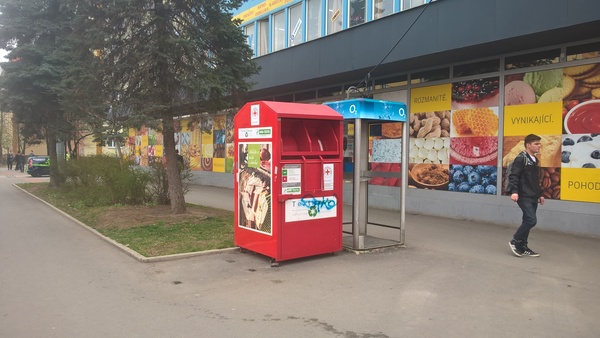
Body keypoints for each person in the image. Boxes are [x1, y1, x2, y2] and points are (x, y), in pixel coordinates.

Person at [508, 134, 544, 257]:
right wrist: (514, 192)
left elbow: (535, 180)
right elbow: (514, 176)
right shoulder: (521, 158)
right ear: (528, 145)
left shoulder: (535, 160)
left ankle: (523, 246)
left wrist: (540, 194)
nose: (539, 146)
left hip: (533, 196)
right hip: (523, 195)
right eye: (536, 144)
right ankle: (516, 240)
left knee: (527, 220)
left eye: (539, 143)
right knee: (531, 220)